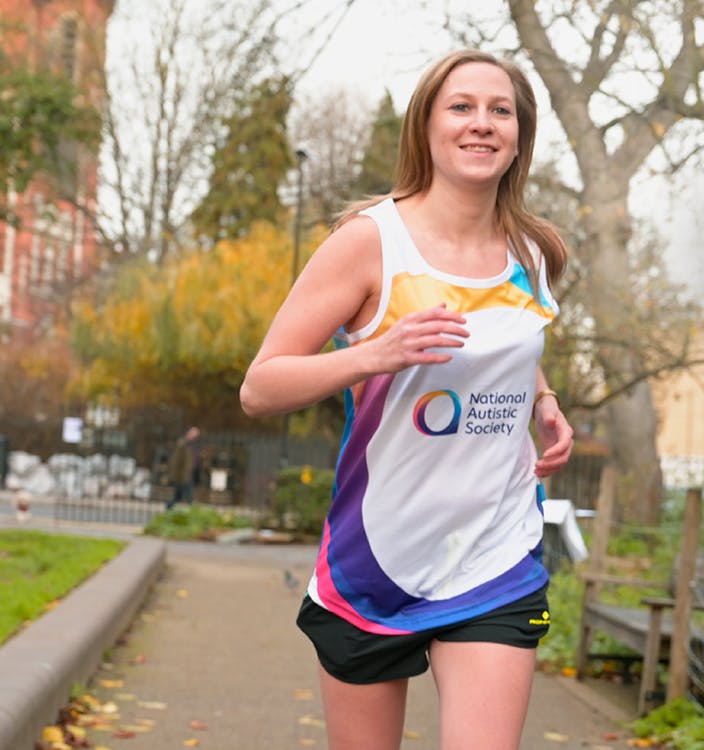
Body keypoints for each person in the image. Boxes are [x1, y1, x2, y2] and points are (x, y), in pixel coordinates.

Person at [240, 49, 573, 750]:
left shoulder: (534, 251)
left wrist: (543, 401)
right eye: (462, 107)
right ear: (426, 127)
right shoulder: (369, 243)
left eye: (500, 110)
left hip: (495, 553)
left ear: (520, 134)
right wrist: (374, 354)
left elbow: (508, 347)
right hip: (378, 559)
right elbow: (260, 386)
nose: (481, 124)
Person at [166, 426, 200, 511]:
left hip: (187, 474)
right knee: (189, 497)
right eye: (194, 434)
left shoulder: (191, 445)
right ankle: (195, 512)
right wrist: (175, 475)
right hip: (182, 476)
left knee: (177, 497)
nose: (195, 436)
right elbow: (176, 461)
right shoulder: (182, 444)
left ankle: (168, 508)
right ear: (189, 433)